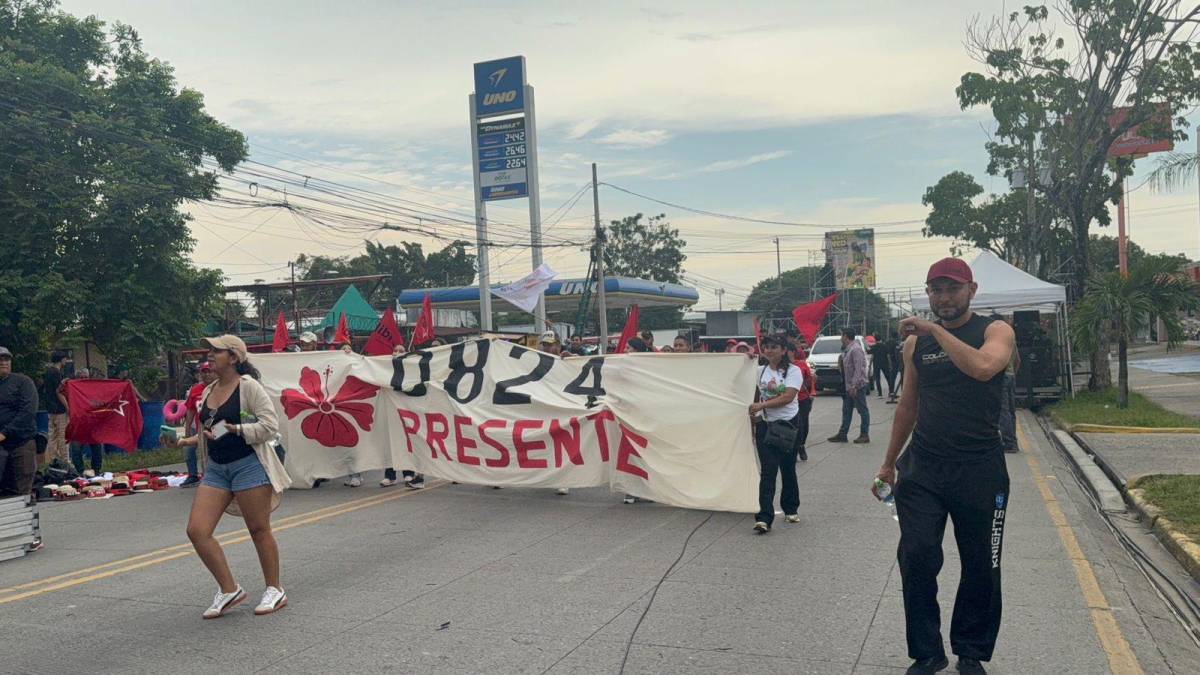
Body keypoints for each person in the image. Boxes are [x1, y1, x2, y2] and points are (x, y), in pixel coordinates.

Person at [875, 257, 1015, 675]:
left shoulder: (995, 330)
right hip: (925, 467)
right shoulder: (916, 345)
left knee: (981, 564)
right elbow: (908, 404)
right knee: (916, 555)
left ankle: (970, 650)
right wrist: (888, 464)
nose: (943, 297)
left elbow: (984, 367)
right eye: (935, 289)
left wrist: (935, 329)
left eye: (952, 288)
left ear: (971, 291)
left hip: (980, 468)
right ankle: (927, 652)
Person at [166, 335, 292, 619]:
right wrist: (182, 443)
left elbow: (269, 427)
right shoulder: (209, 390)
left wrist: (237, 430)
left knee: (258, 529)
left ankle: (275, 588)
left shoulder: (249, 388)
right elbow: (214, 429)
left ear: (234, 358)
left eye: (216, 351)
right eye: (210, 351)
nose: (209, 355)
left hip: (248, 464)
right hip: (217, 468)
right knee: (197, 530)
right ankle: (229, 589)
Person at [748, 334, 803, 534]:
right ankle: (764, 517)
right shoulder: (759, 371)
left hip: (788, 424)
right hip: (766, 425)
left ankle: (791, 508)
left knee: (788, 468)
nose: (769, 350)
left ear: (783, 350)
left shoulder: (793, 371)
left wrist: (761, 404)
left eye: (774, 347)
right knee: (768, 471)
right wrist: (744, 357)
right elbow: (750, 389)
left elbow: (788, 397)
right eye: (766, 347)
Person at [382, 344, 425, 489]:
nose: (397, 353)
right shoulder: (383, 366)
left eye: (401, 351)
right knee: (390, 443)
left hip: (406, 411)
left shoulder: (412, 369)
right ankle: (389, 475)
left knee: (406, 441)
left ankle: (409, 472)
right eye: (395, 350)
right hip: (390, 410)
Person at [0, 346, 39, 499]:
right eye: (0, 359)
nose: (4, 362)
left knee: (22, 493)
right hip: (1, 446)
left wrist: (5, 432)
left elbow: (28, 412)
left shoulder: (23, 382)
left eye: (6, 359)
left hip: (21, 443)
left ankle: (25, 521)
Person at [828, 329, 870, 444]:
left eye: (841, 335)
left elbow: (859, 369)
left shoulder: (856, 349)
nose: (840, 338)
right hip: (848, 386)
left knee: (862, 410)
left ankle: (864, 434)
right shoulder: (848, 349)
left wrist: (854, 386)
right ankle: (842, 434)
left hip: (857, 386)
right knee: (846, 410)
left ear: (846, 337)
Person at [180, 363, 217, 487]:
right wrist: (187, 428)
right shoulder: (195, 390)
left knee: (211, 453)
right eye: (204, 372)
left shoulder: (220, 387)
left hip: (217, 427)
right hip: (199, 427)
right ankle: (192, 475)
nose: (207, 374)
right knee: (189, 450)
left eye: (209, 371)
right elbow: (190, 410)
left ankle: (212, 478)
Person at [66, 368, 105, 476]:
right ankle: (80, 471)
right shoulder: (72, 387)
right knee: (76, 447)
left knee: (96, 446)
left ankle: (96, 470)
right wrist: (67, 407)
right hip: (78, 422)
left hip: (92, 421)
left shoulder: (93, 388)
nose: (83, 379)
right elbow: (59, 391)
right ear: (76, 378)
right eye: (81, 377)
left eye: (85, 377)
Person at [41, 350, 71, 467]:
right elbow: (59, 392)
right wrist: (67, 407)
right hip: (60, 409)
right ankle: (65, 461)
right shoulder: (57, 373)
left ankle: (52, 461)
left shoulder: (48, 372)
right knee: (63, 436)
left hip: (50, 409)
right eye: (65, 359)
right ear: (61, 359)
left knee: (52, 436)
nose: (66, 361)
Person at [786, 342, 816, 462]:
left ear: (793, 352)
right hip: (788, 400)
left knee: (803, 425)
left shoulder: (802, 365)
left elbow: (810, 381)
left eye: (787, 350)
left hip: (803, 399)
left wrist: (812, 393)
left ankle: (801, 445)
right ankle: (792, 447)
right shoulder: (782, 366)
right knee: (792, 425)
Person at [870, 334, 895, 400]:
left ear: (875, 339)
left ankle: (880, 394)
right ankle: (891, 392)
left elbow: (872, 357)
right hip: (884, 364)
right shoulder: (885, 346)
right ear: (880, 339)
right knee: (888, 378)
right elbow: (888, 356)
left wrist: (870, 365)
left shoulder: (874, 347)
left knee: (878, 379)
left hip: (876, 364)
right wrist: (890, 364)